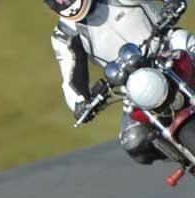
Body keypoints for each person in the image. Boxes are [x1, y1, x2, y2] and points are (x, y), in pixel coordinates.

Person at [47, 0, 192, 163]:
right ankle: (187, 160)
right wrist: (80, 103)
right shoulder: (64, 33)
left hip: (170, 46)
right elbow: (70, 72)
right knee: (134, 141)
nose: (62, 1)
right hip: (132, 83)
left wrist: (173, 3)